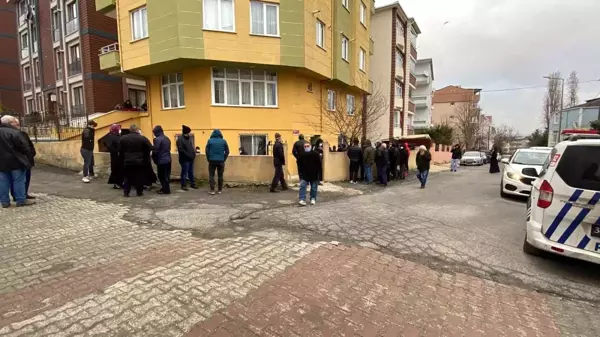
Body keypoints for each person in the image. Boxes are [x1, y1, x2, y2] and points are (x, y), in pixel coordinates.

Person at [0, 115, 35, 208]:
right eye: (15, 122)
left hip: (1, 162)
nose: (17, 124)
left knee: (3, 182)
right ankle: (20, 200)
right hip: (16, 161)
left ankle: (4, 202)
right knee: (19, 181)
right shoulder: (15, 133)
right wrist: (27, 158)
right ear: (10, 123)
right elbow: (25, 147)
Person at [120, 124, 153, 197]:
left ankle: (126, 192)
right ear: (137, 130)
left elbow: (120, 150)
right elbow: (150, 147)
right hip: (139, 161)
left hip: (127, 161)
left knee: (127, 177)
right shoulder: (142, 138)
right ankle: (139, 192)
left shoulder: (123, 138)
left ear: (130, 130)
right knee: (139, 177)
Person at [205, 129, 230, 195]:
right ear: (220, 134)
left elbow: (207, 151)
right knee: (220, 175)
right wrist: (223, 159)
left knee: (211, 175)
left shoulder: (210, 141)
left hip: (212, 161)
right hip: (221, 161)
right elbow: (227, 151)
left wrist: (208, 159)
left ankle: (212, 190)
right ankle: (219, 190)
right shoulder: (224, 141)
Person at [297, 141, 321, 206]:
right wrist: (300, 173)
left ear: (310, 146)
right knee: (302, 186)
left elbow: (319, 164)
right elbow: (299, 165)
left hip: (314, 173)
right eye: (305, 146)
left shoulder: (315, 154)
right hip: (304, 174)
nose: (306, 147)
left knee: (314, 187)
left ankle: (313, 198)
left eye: (308, 146)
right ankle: (302, 199)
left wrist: (317, 173)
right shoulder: (301, 155)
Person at [152, 125, 172, 194]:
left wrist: (154, 159)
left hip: (161, 160)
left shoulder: (157, 139)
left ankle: (165, 190)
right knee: (167, 175)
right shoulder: (167, 138)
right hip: (168, 159)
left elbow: (155, 151)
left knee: (161, 176)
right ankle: (165, 188)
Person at [176, 125, 197, 191]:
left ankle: (192, 183)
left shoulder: (189, 138)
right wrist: (189, 155)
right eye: (189, 132)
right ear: (186, 133)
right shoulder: (180, 140)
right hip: (184, 159)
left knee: (191, 172)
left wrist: (193, 154)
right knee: (184, 172)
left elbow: (191, 147)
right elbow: (181, 151)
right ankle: (183, 185)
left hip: (191, 158)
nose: (190, 134)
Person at [103, 124, 124, 189]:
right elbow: (108, 145)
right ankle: (117, 183)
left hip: (117, 155)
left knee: (118, 169)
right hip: (116, 155)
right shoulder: (112, 136)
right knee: (116, 169)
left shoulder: (114, 135)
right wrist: (116, 151)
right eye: (119, 128)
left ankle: (119, 183)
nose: (120, 130)